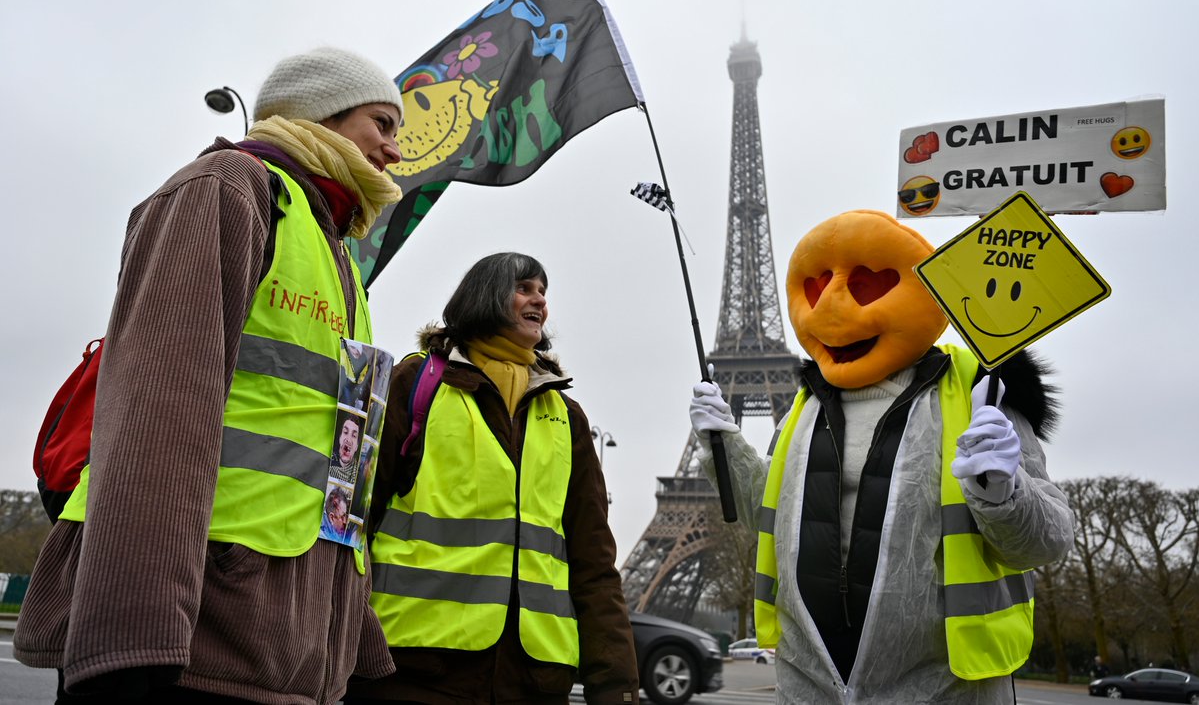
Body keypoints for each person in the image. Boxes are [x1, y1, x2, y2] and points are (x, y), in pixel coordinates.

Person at [14, 47, 407, 703]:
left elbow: (345, 473)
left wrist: (353, 643)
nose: (396, 151)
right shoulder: (230, 185)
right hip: (189, 633)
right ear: (321, 114)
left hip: (278, 642)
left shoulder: (341, 258)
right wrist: (135, 637)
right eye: (382, 123)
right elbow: (157, 411)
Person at [688, 210, 1074, 703]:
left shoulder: (978, 396)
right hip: (809, 684)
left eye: (868, 284)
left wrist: (1004, 490)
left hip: (943, 686)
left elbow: (1045, 542)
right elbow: (769, 516)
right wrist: (723, 443)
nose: (832, 303)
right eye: (817, 286)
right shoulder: (803, 409)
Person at [345, 252, 639, 705]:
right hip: (416, 671)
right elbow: (353, 519)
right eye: (524, 287)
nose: (538, 299)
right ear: (484, 295)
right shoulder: (414, 384)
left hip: (533, 679)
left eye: (543, 292)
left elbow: (594, 563)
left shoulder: (566, 416)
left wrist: (617, 688)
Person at [333, 415, 364, 482]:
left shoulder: (360, 479)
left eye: (354, 436)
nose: (349, 440)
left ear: (356, 447)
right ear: (340, 438)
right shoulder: (328, 464)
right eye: (345, 432)